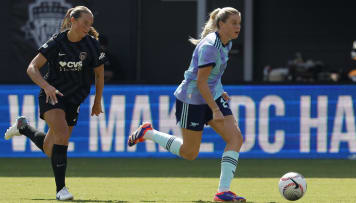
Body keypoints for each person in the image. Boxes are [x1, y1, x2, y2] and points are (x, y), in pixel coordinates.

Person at [128, 7, 246, 202]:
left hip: (211, 96)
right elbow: (200, 82)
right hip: (191, 100)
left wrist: (219, 91)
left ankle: (223, 192)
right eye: (234, 23)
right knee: (190, 153)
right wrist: (215, 109)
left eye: (239, 23)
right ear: (221, 24)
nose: (238, 27)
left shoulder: (227, 43)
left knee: (236, 138)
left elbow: (213, 77)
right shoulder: (210, 46)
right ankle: (148, 132)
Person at [4, 6, 105, 201]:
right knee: (62, 133)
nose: (88, 27)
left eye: (90, 24)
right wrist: (46, 86)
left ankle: (23, 128)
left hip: (75, 99)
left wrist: (97, 101)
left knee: (51, 148)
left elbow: (99, 75)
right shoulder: (57, 42)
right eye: (85, 23)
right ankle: (61, 190)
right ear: (73, 20)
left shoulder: (92, 45)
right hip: (53, 96)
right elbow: (32, 68)